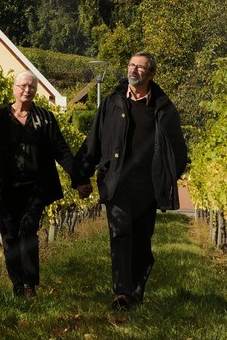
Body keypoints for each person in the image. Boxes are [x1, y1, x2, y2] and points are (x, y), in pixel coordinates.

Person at [76, 51, 188, 309]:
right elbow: (93, 141)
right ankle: (122, 294)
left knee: (141, 243)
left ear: (151, 74)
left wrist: (166, 179)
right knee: (120, 235)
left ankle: (136, 292)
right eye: (131, 65)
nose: (134, 70)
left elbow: (179, 153)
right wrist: (81, 176)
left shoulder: (163, 108)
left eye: (140, 67)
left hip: (147, 188)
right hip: (117, 183)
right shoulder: (112, 102)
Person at [0, 70, 87, 299]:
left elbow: (62, 151)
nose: (26, 90)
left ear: (36, 91)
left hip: (36, 187)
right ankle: (17, 285)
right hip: (6, 188)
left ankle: (30, 285)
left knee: (28, 230)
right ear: (14, 88)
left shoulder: (45, 118)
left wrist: (78, 179)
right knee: (9, 237)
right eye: (22, 86)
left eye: (31, 87)